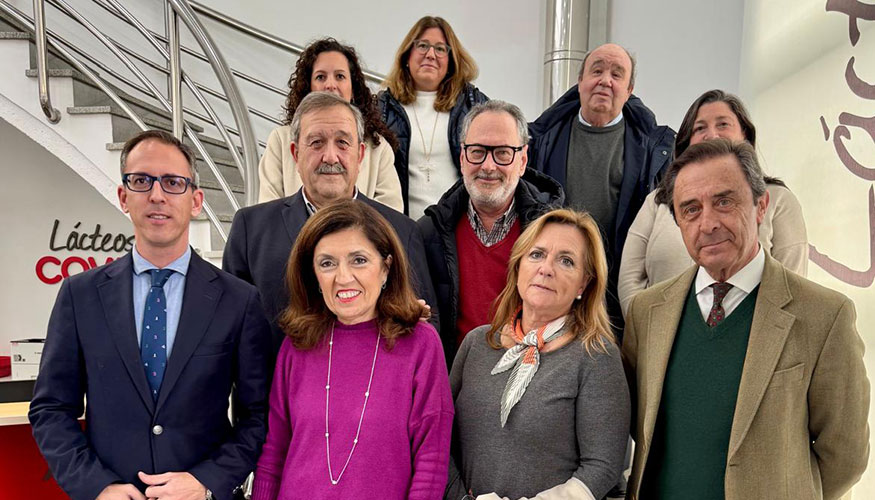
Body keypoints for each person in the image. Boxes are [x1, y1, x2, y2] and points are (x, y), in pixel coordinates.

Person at [29, 130, 272, 500]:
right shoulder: (79, 296)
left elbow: (260, 415)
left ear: (195, 200)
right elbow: (51, 408)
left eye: (173, 182)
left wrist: (208, 481)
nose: (157, 195)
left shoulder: (239, 300)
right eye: (142, 181)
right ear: (124, 197)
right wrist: (96, 486)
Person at [622, 139, 869, 500]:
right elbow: (637, 427)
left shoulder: (825, 316)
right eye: (690, 209)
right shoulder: (647, 312)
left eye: (724, 201)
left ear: (761, 205)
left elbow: (846, 455)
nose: (708, 223)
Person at [251, 199, 452, 499]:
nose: (343, 277)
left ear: (386, 267)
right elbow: (274, 454)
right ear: (313, 275)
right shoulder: (298, 344)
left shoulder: (420, 343)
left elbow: (431, 460)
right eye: (327, 263)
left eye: (359, 260)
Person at [224, 92, 438, 353]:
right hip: (278, 391)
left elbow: (425, 323)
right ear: (295, 153)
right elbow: (232, 331)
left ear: (360, 155)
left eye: (342, 143)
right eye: (316, 142)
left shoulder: (402, 232)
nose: (330, 156)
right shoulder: (251, 229)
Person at [446, 209, 630, 500]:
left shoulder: (596, 356)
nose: (546, 268)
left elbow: (602, 466)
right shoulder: (477, 343)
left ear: (584, 284)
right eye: (536, 255)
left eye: (566, 261)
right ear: (519, 266)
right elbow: (441, 440)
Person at [528, 43, 675, 341]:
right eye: (597, 71)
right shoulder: (541, 139)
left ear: (629, 89)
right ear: (580, 81)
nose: (605, 80)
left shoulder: (653, 149)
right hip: (554, 282)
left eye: (616, 74)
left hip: (617, 290)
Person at [618, 89, 808, 315]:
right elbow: (630, 277)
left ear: (745, 135)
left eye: (723, 125)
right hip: (662, 337)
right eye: (700, 128)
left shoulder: (778, 199)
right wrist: (648, 329)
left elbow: (791, 285)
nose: (712, 135)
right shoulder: (657, 201)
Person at [419, 100, 564, 365]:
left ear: (522, 160)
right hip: (456, 385)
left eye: (502, 153)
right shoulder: (428, 233)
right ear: (462, 158)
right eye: (478, 152)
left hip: (532, 380)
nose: (488, 166)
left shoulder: (555, 234)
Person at [258, 37, 403, 212]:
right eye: (321, 77)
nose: (330, 85)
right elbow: (268, 212)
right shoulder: (280, 140)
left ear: (353, 88)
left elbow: (389, 217)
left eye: (340, 76)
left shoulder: (378, 147)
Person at [378, 15, 489, 219]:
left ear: (451, 60)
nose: (431, 54)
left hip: (458, 229)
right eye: (422, 46)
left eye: (440, 48)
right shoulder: (382, 108)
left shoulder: (474, 105)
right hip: (402, 231)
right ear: (407, 56)